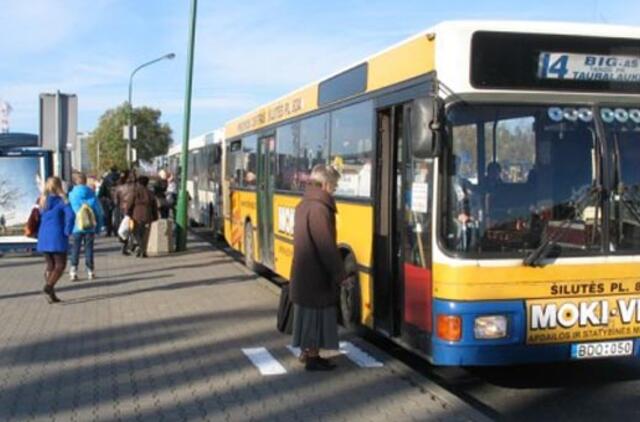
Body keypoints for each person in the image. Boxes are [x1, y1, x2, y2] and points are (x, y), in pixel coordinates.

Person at [289, 164, 347, 371]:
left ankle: (307, 352)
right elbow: (326, 246)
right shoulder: (319, 208)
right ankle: (313, 358)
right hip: (316, 275)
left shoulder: (304, 204)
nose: (334, 190)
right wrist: (340, 274)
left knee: (307, 315)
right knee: (315, 316)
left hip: (305, 271)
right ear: (324, 184)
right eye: (334, 185)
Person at [36, 177, 75, 303]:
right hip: (57, 235)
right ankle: (48, 287)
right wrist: (68, 231)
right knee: (60, 265)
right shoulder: (62, 201)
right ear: (59, 186)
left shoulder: (42, 201)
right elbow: (71, 215)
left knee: (50, 265)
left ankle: (51, 294)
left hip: (44, 236)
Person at [68, 172, 104, 281]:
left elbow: (69, 213)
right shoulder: (91, 194)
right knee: (89, 249)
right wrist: (98, 227)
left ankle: (73, 271)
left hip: (76, 227)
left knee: (75, 249)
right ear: (85, 181)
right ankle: (90, 271)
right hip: (90, 226)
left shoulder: (71, 195)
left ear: (75, 182)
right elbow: (99, 212)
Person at [127, 176, 159, 258]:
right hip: (148, 215)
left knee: (136, 233)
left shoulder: (135, 191)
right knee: (145, 234)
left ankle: (141, 248)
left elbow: (130, 203)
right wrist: (155, 216)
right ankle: (143, 251)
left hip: (136, 215)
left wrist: (128, 213)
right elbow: (154, 206)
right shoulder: (150, 192)